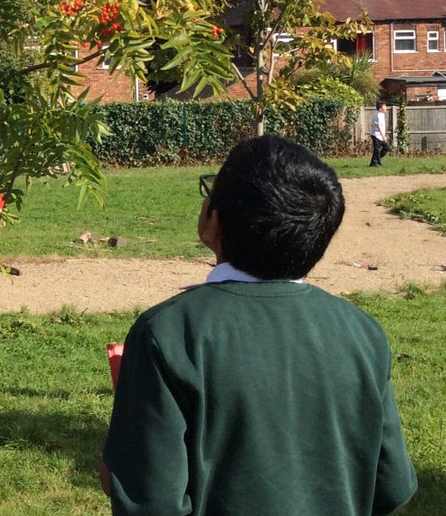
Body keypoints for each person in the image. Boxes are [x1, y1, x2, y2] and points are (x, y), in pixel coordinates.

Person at [101, 134, 417, 516]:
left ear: (212, 219)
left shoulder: (168, 334)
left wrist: (117, 464)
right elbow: (393, 486)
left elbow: (149, 500)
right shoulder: (363, 333)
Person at [370, 100, 390, 167]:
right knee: (377, 149)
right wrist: (383, 136)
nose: (386, 107)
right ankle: (374, 163)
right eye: (385, 106)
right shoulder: (379, 115)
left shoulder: (381, 115)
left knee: (387, 147)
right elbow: (378, 126)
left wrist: (383, 135)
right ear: (380, 109)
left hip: (379, 135)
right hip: (376, 135)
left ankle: (377, 160)